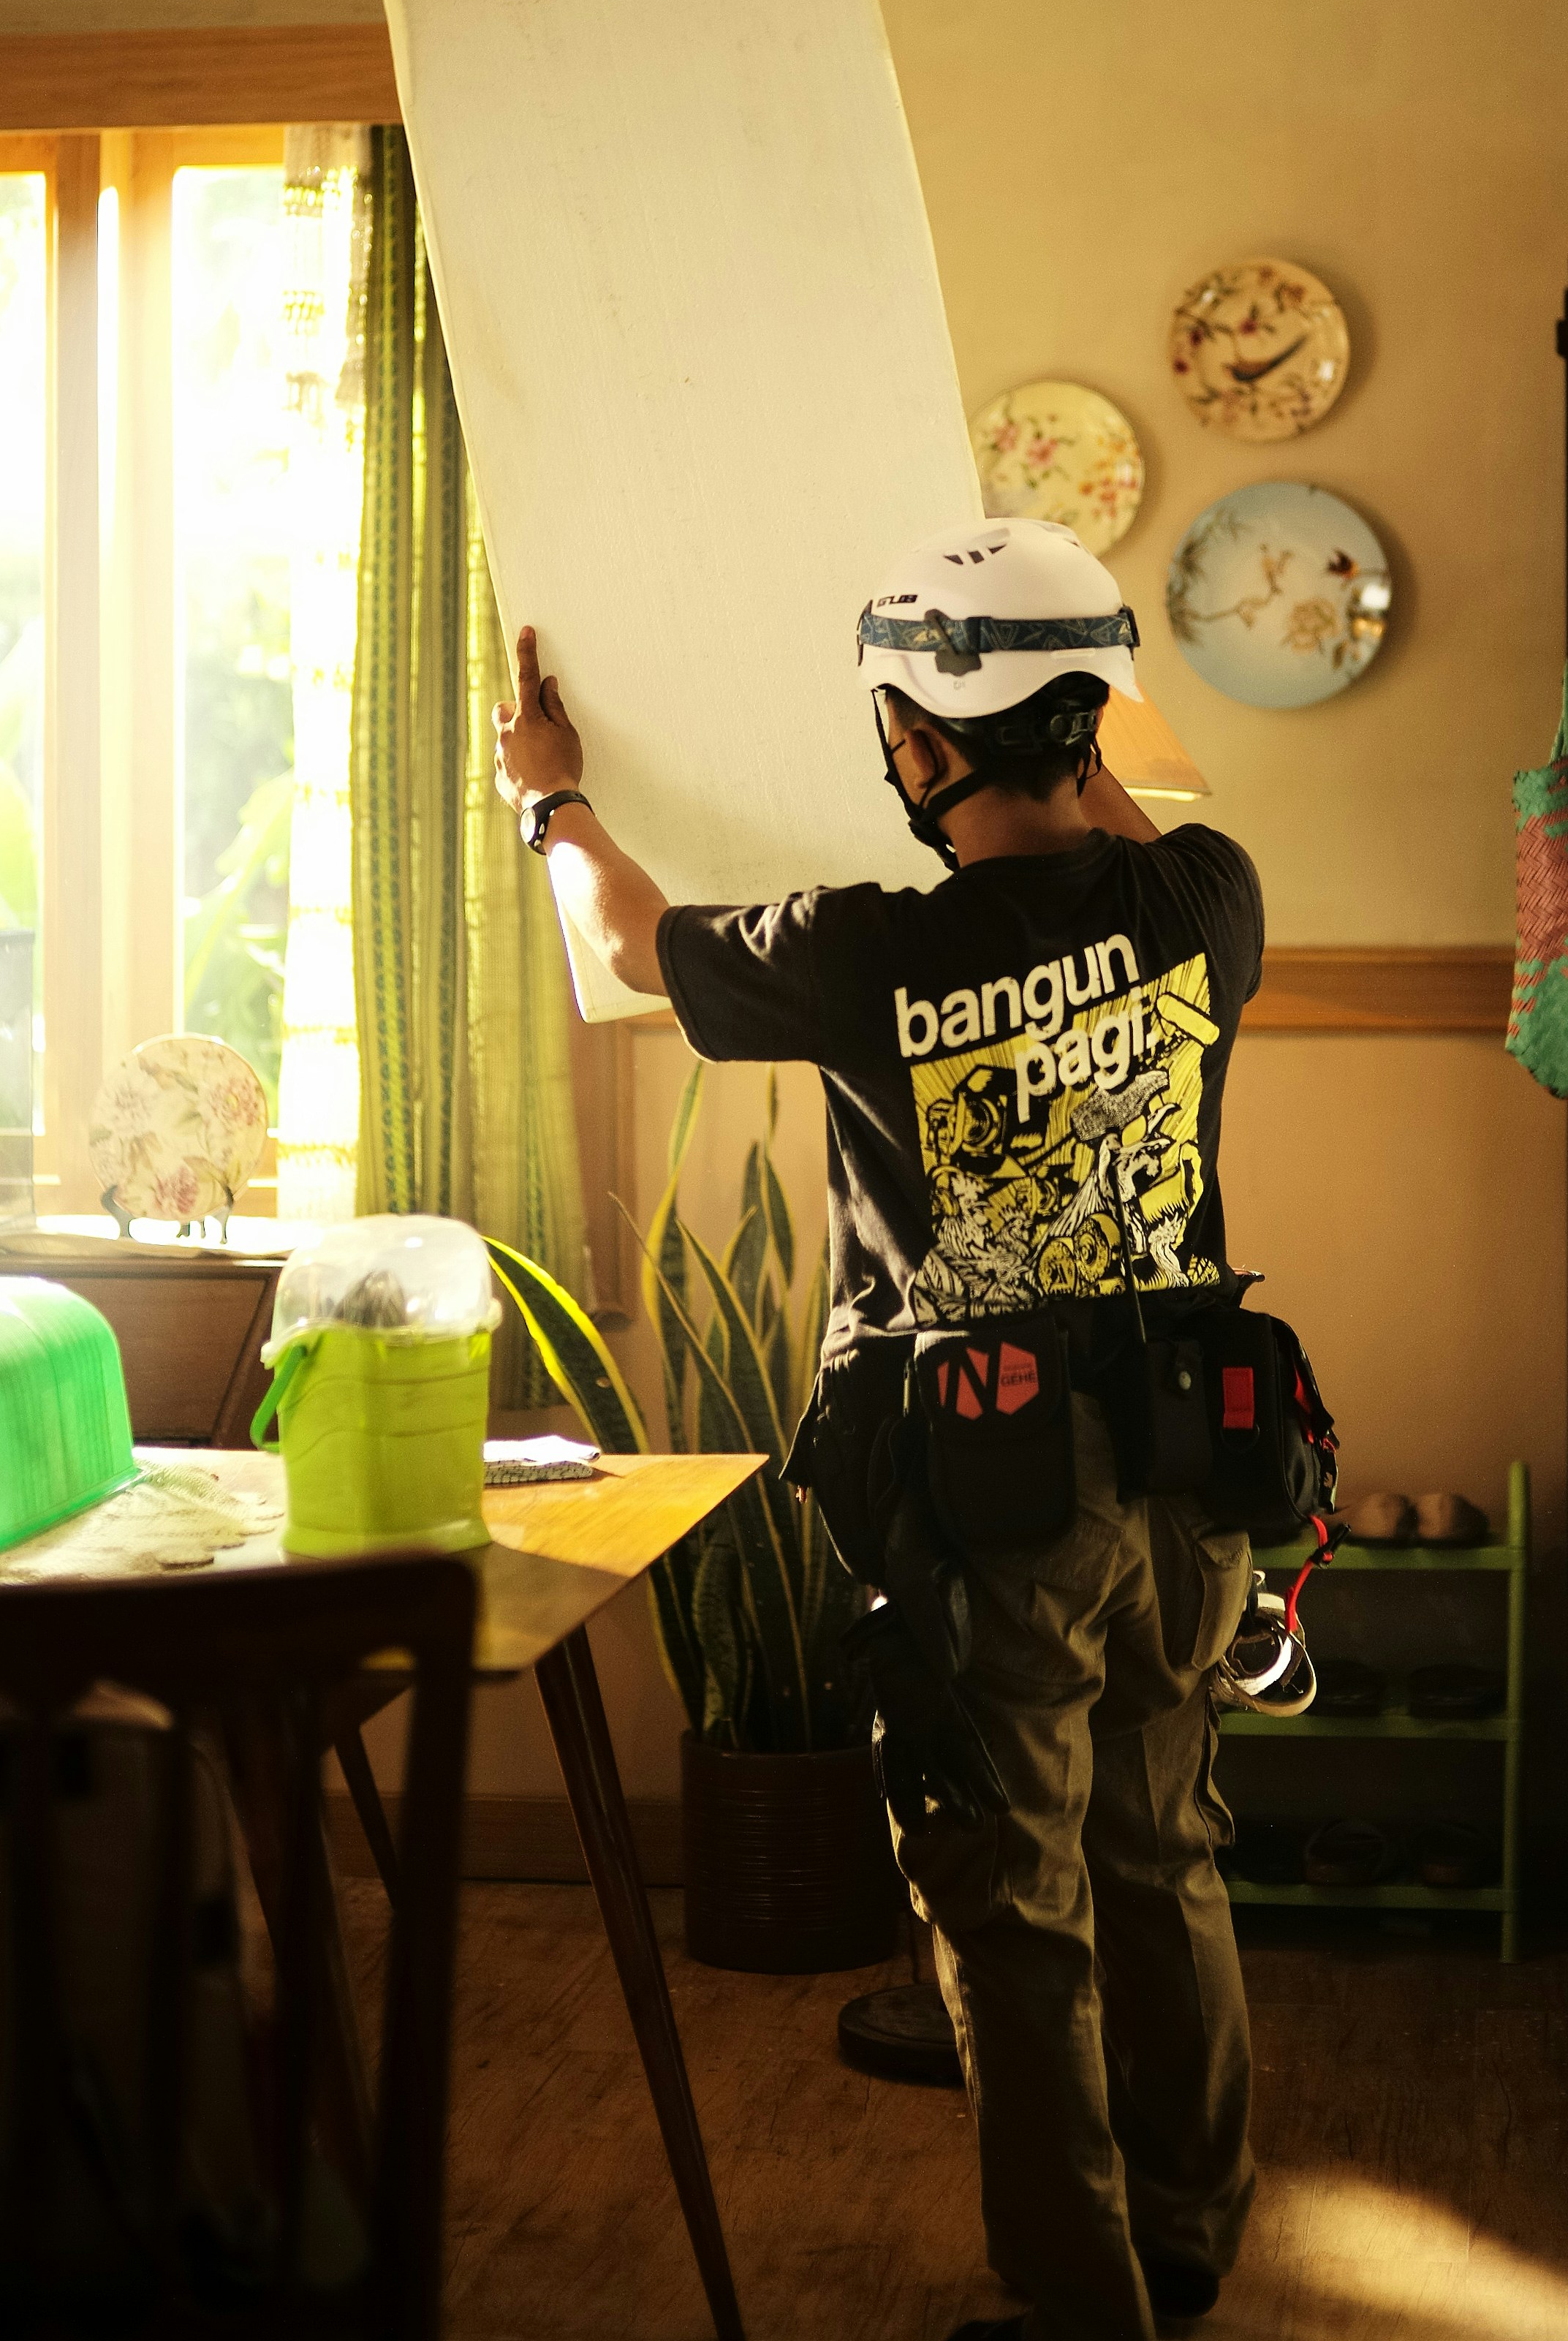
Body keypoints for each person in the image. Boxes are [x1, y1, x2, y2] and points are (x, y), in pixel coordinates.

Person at [493, 518, 1265, 2341]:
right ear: (1086, 718)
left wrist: (553, 798)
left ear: (917, 742)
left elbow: (627, 940)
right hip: (1190, 1470)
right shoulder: (1208, 899)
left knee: (1014, 1902)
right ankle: (1186, 2237)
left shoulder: (869, 955)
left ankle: (1079, 2310)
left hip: (999, 1498)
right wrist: (1059, 703)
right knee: (1165, 1847)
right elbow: (1114, 818)